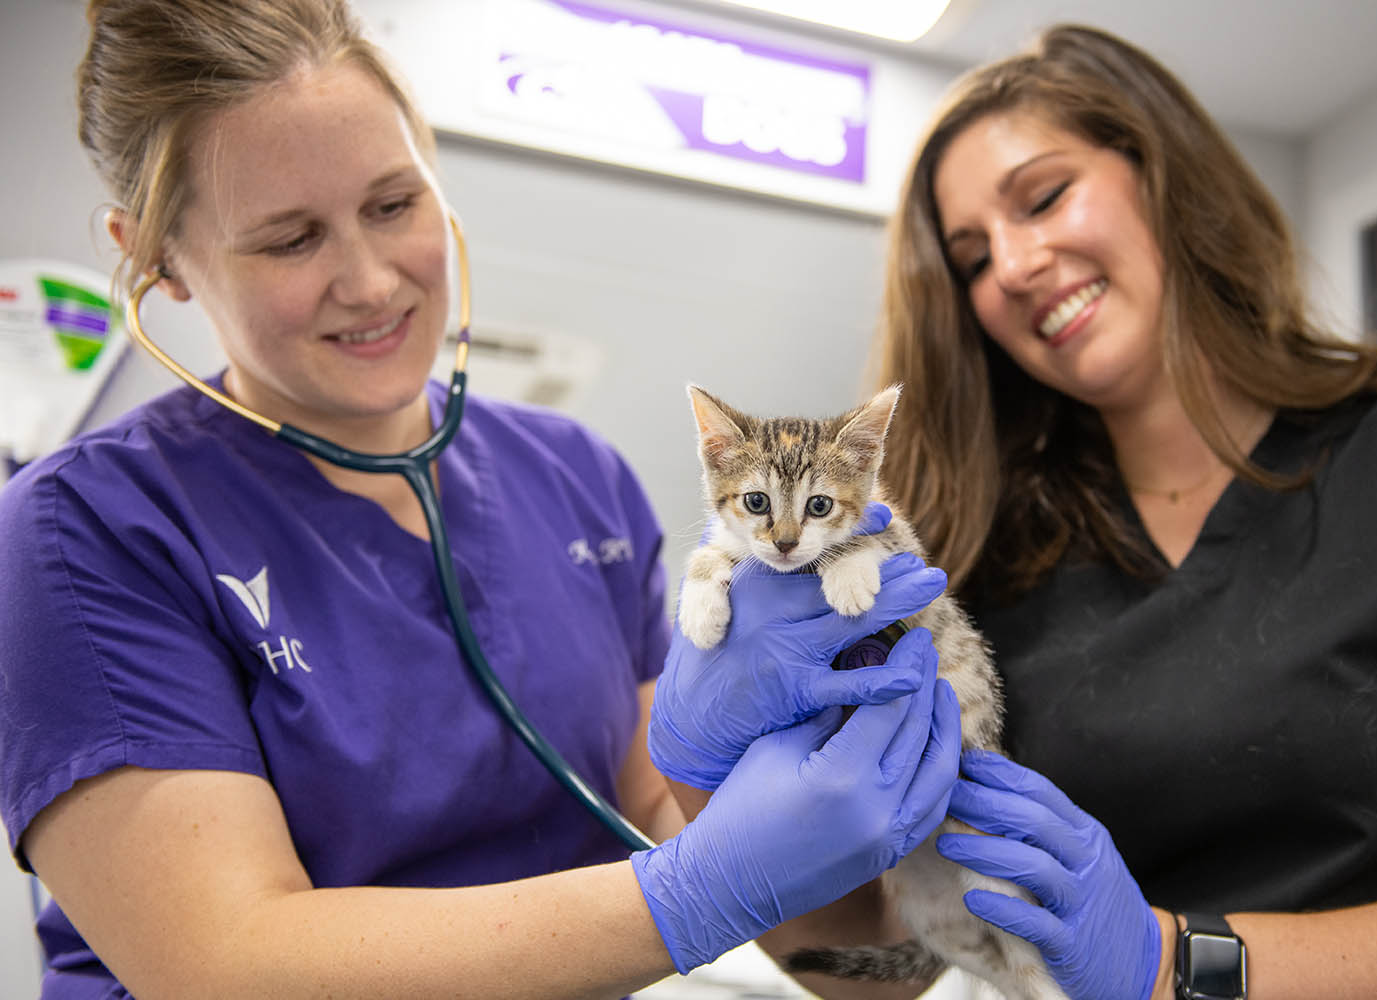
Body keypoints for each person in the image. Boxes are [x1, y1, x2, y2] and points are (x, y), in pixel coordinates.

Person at [0, 1, 963, 997]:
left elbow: (671, 818)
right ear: (155, 257)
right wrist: (694, 894)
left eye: (392, 204)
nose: (370, 281)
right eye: (290, 240)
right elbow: (230, 961)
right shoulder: (88, 529)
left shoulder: (576, 477)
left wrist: (877, 877)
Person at [864, 23, 1377, 1000]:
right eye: (970, 259)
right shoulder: (988, 571)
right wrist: (730, 809)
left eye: (1043, 198)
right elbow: (888, 968)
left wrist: (1179, 962)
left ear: (1158, 174)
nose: (1014, 263)